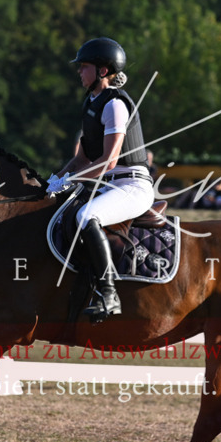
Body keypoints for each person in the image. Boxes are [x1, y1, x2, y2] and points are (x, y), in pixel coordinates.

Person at [54, 37, 154, 323]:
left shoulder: (115, 105)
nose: (79, 71)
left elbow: (109, 161)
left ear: (102, 71)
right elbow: (82, 159)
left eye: (83, 66)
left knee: (87, 215)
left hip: (132, 185)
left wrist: (70, 180)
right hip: (110, 185)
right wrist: (54, 180)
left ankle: (109, 293)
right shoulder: (91, 103)